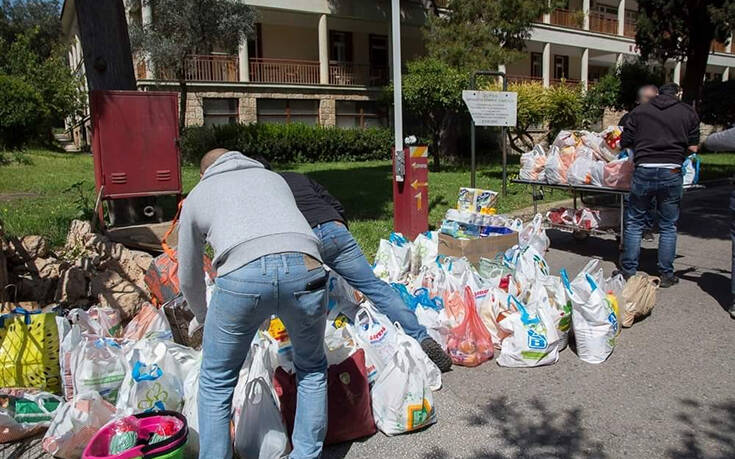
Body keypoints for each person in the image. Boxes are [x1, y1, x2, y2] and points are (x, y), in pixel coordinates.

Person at [178, 149, 329, 459]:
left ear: (204, 172)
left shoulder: (199, 193)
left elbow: (189, 275)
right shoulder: (273, 179)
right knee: (312, 368)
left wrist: (203, 316)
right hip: (308, 268)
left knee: (216, 382)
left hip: (241, 276)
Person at [253, 157, 453, 371]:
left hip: (303, 240)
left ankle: (311, 363)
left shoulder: (261, 192)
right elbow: (333, 202)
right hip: (334, 229)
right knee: (374, 287)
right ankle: (421, 337)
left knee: (304, 298)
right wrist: (339, 226)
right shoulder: (297, 177)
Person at [619, 83, 700, 287]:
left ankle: (628, 271)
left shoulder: (639, 112)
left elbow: (625, 142)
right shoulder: (688, 112)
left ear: (657, 94)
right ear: (678, 93)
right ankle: (666, 274)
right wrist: (678, 155)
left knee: (635, 222)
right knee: (668, 226)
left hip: (644, 169)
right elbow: (693, 147)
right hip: (671, 171)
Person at [621, 84, 660, 241]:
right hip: (632, 164)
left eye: (654, 99)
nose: (651, 102)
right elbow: (621, 140)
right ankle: (626, 233)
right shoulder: (630, 117)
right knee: (629, 200)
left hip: (652, 164)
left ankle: (646, 228)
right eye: (648, 99)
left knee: (650, 200)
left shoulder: (659, 118)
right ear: (638, 100)